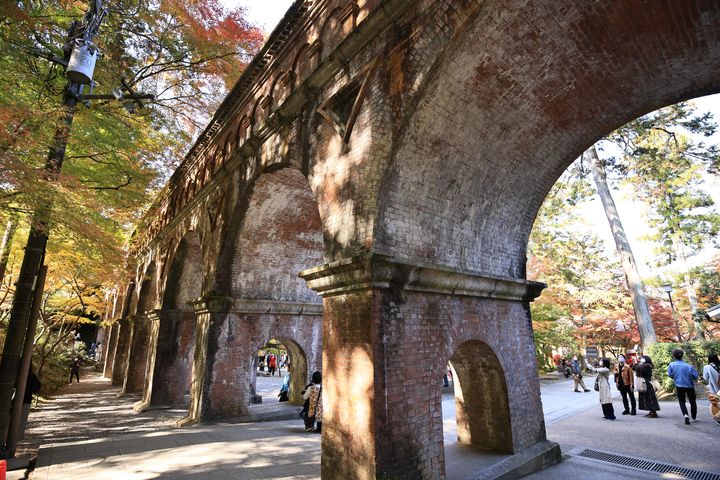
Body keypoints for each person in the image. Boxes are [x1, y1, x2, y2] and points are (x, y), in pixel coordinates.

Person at [668, 349, 699, 425]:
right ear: (682, 356)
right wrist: (690, 378)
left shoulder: (672, 365)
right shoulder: (689, 366)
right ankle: (694, 417)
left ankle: (685, 415)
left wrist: (676, 377)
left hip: (679, 385)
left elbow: (670, 374)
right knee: (692, 401)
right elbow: (695, 376)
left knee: (682, 401)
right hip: (689, 385)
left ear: (674, 356)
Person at [19, 368, 41, 441]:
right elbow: (36, 387)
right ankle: (15, 440)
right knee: (21, 422)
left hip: (23, 400)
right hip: (25, 399)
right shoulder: (28, 373)